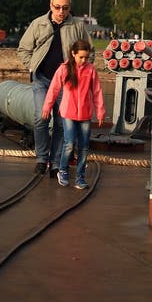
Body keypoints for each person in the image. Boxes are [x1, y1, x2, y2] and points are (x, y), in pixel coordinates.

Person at [17, 0, 93, 177]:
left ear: (69, 8)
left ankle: (56, 162)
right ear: (51, 5)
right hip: (42, 79)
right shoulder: (38, 24)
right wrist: (32, 66)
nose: (61, 12)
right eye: (58, 7)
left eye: (65, 8)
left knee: (61, 122)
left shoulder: (77, 26)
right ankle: (42, 159)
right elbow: (23, 49)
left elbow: (89, 51)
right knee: (40, 117)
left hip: (66, 83)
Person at [42, 39, 106, 190]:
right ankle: (63, 170)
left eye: (86, 57)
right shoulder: (64, 69)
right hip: (68, 112)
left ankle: (80, 176)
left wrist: (100, 111)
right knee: (69, 143)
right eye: (81, 57)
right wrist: (47, 107)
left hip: (85, 113)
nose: (84, 60)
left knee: (84, 146)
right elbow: (53, 89)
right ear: (73, 54)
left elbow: (97, 92)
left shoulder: (90, 70)